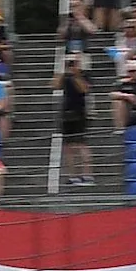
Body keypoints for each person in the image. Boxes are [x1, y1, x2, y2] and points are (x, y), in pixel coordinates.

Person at [56, 51, 95, 188]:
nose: (72, 65)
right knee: (68, 147)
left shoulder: (84, 75)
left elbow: (84, 89)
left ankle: (87, 174)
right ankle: (72, 176)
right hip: (66, 113)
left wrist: (76, 74)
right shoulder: (65, 76)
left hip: (80, 113)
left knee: (81, 145)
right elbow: (55, 85)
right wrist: (62, 71)